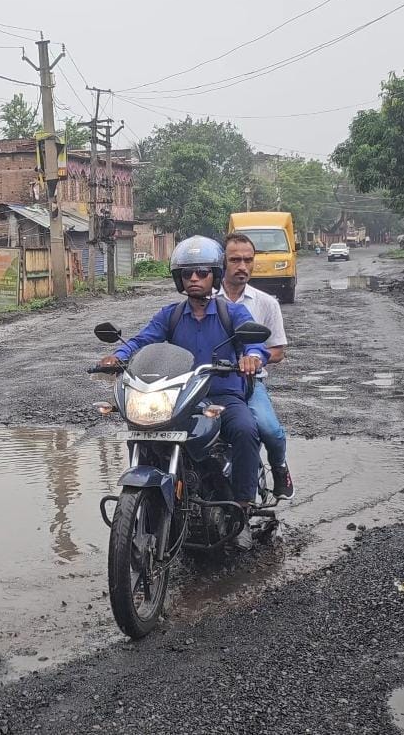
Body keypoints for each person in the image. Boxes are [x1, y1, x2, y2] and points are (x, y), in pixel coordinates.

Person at [97, 236, 269, 549]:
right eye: (187, 273)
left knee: (246, 429)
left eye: (201, 272)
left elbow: (255, 343)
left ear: (214, 276)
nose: (194, 278)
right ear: (179, 279)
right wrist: (119, 357)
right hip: (180, 399)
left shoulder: (232, 314)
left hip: (222, 397)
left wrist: (252, 356)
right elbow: (142, 341)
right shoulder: (171, 316)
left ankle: (241, 511)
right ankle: (152, 503)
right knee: (142, 429)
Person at [219, 232, 294, 499]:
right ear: (222, 262)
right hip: (208, 383)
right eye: (235, 259)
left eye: (248, 260)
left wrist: (255, 359)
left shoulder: (266, 303)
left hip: (249, 384)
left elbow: (278, 350)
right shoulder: (204, 299)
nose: (242, 266)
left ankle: (279, 466)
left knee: (269, 430)